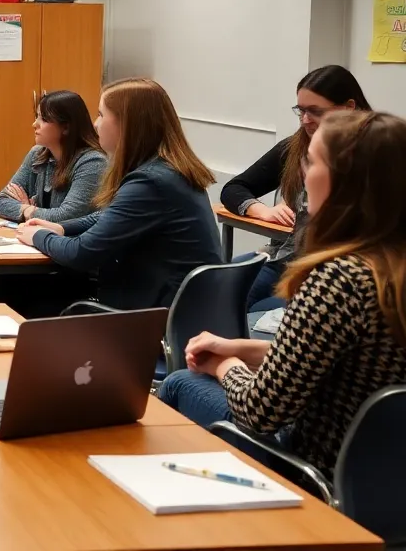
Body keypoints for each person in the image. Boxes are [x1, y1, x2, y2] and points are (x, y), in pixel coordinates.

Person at [158, 110, 406, 479]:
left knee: (181, 381)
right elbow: (341, 360)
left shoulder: (339, 280)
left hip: (317, 471)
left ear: (346, 182)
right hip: (383, 486)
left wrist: (223, 365)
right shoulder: (388, 270)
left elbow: (262, 411)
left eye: (314, 161)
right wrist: (241, 347)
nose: (305, 174)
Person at [9, 78, 222, 317]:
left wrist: (38, 235)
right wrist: (61, 228)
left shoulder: (149, 182)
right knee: (10, 288)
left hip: (158, 315)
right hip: (184, 306)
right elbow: (107, 216)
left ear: (127, 124)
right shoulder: (170, 170)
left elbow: (82, 253)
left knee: (18, 295)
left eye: (101, 115)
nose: (95, 124)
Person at [220, 65, 371, 311]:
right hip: (287, 259)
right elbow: (234, 188)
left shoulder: (374, 155)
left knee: (257, 315)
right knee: (225, 296)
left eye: (315, 111)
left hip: (330, 274)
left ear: (349, 108)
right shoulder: (294, 147)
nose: (305, 120)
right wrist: (260, 210)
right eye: (300, 111)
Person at [0, 90, 106, 224]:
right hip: (40, 238)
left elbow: (66, 216)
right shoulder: (37, 153)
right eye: (37, 117)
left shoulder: (93, 162)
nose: (34, 124)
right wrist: (27, 210)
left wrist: (29, 210)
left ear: (66, 127)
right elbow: (1, 201)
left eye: (44, 119)